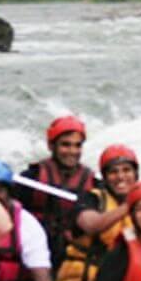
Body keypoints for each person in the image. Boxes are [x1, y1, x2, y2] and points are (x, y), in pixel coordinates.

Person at [53, 143, 139, 281]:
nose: (121, 177)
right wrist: (129, 206)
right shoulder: (90, 199)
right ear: (105, 178)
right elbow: (92, 225)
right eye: (113, 172)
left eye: (127, 170)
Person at [12, 115, 98, 271]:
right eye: (65, 145)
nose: (72, 151)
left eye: (77, 146)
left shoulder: (94, 184)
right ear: (51, 146)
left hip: (70, 253)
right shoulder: (31, 178)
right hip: (35, 248)